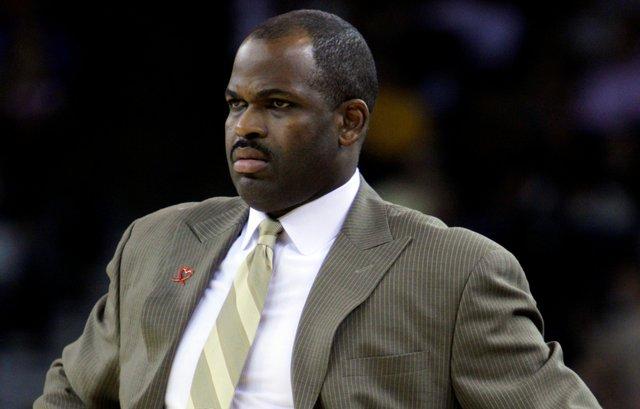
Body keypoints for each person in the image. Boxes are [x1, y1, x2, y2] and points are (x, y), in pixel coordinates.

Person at [35, 9, 601, 409]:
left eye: (278, 104)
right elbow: (73, 394)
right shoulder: (157, 240)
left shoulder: (455, 271)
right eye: (236, 104)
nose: (246, 126)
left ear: (349, 121)